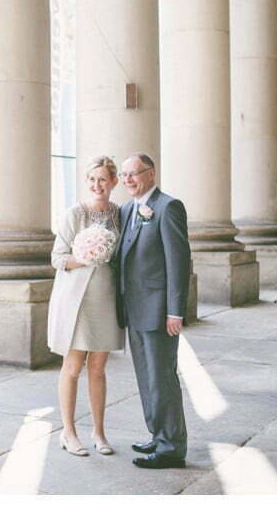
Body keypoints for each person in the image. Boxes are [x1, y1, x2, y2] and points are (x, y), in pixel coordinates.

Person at [115, 152, 190, 469]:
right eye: (124, 175)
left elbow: (179, 262)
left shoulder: (167, 207)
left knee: (162, 378)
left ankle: (172, 447)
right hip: (134, 310)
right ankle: (158, 435)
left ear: (151, 174)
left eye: (134, 173)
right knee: (147, 378)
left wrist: (176, 311)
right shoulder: (127, 209)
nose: (128, 180)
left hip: (159, 312)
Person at [48, 156, 125, 457]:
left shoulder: (120, 214)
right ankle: (68, 432)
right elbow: (57, 258)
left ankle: (99, 432)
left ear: (114, 182)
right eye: (92, 179)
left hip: (106, 300)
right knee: (73, 366)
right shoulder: (74, 214)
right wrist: (86, 256)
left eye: (103, 179)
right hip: (77, 301)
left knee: (98, 368)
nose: (97, 185)